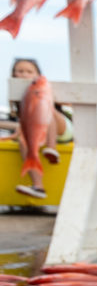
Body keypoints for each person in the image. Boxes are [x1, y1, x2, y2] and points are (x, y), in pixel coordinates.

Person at [4, 58, 73, 199]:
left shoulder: (45, 88)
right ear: (14, 74)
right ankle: (38, 187)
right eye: (20, 71)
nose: (24, 74)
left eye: (29, 71)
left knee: (48, 111)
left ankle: (51, 148)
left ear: (37, 74)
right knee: (23, 141)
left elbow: (72, 102)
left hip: (61, 129)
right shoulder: (16, 95)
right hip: (38, 131)